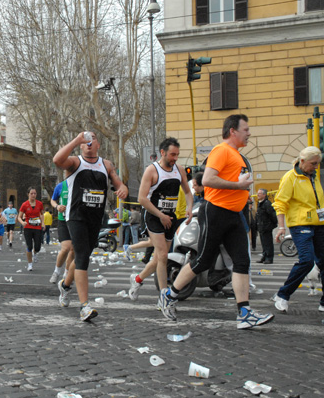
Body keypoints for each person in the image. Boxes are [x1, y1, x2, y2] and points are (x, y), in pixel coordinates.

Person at [160, 114, 274, 329]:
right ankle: (169, 294)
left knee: (242, 262)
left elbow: (230, 182)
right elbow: (208, 179)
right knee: (202, 261)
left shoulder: (237, 155)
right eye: (246, 129)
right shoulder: (221, 150)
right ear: (233, 130)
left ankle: (244, 313)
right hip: (216, 213)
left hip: (233, 214)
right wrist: (238, 186)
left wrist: (242, 193)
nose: (249, 133)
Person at [53, 131, 128, 321]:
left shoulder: (107, 164)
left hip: (95, 218)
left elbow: (118, 184)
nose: (88, 142)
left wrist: (123, 189)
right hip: (75, 216)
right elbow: (57, 160)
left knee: (83, 256)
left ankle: (65, 285)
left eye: (91, 139)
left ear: (98, 145)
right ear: (80, 145)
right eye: (84, 141)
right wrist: (76, 139)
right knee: (81, 256)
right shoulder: (75, 162)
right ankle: (85, 306)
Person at [128, 138, 193, 303]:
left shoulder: (179, 170)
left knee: (159, 258)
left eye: (177, 155)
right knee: (163, 255)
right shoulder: (152, 170)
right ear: (162, 152)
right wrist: (160, 215)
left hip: (170, 217)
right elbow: (142, 199)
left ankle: (137, 280)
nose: (175, 158)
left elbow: (187, 191)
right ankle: (164, 297)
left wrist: (190, 207)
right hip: (153, 215)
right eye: (172, 154)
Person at [272, 146, 324, 313]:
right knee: (307, 261)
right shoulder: (290, 177)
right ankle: (282, 295)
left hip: (319, 224)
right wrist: (281, 227)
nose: (316, 167)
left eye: (318, 164)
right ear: (302, 161)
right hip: (300, 224)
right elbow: (280, 203)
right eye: (313, 163)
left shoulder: (313, 176)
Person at [50, 180, 75, 284]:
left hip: (75, 221)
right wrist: (57, 206)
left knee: (73, 249)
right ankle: (56, 271)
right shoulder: (61, 186)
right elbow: (53, 200)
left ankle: (67, 273)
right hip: (63, 220)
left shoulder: (80, 185)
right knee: (66, 248)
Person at [18, 187, 44, 271]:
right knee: (29, 246)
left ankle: (35, 253)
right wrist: (22, 223)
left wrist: (43, 223)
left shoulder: (40, 204)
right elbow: (19, 217)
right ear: (28, 194)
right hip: (28, 227)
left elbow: (42, 214)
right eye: (31, 193)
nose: (33, 195)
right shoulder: (24, 204)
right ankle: (30, 264)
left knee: (37, 247)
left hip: (37, 227)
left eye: (35, 193)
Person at [256, 188, 277, 264]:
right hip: (262, 227)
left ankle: (269, 258)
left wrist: (273, 224)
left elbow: (272, 215)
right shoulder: (260, 203)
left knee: (268, 243)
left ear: (264, 195)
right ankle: (264, 256)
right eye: (258, 193)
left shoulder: (267, 203)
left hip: (266, 227)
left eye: (260, 193)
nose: (257, 195)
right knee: (264, 243)